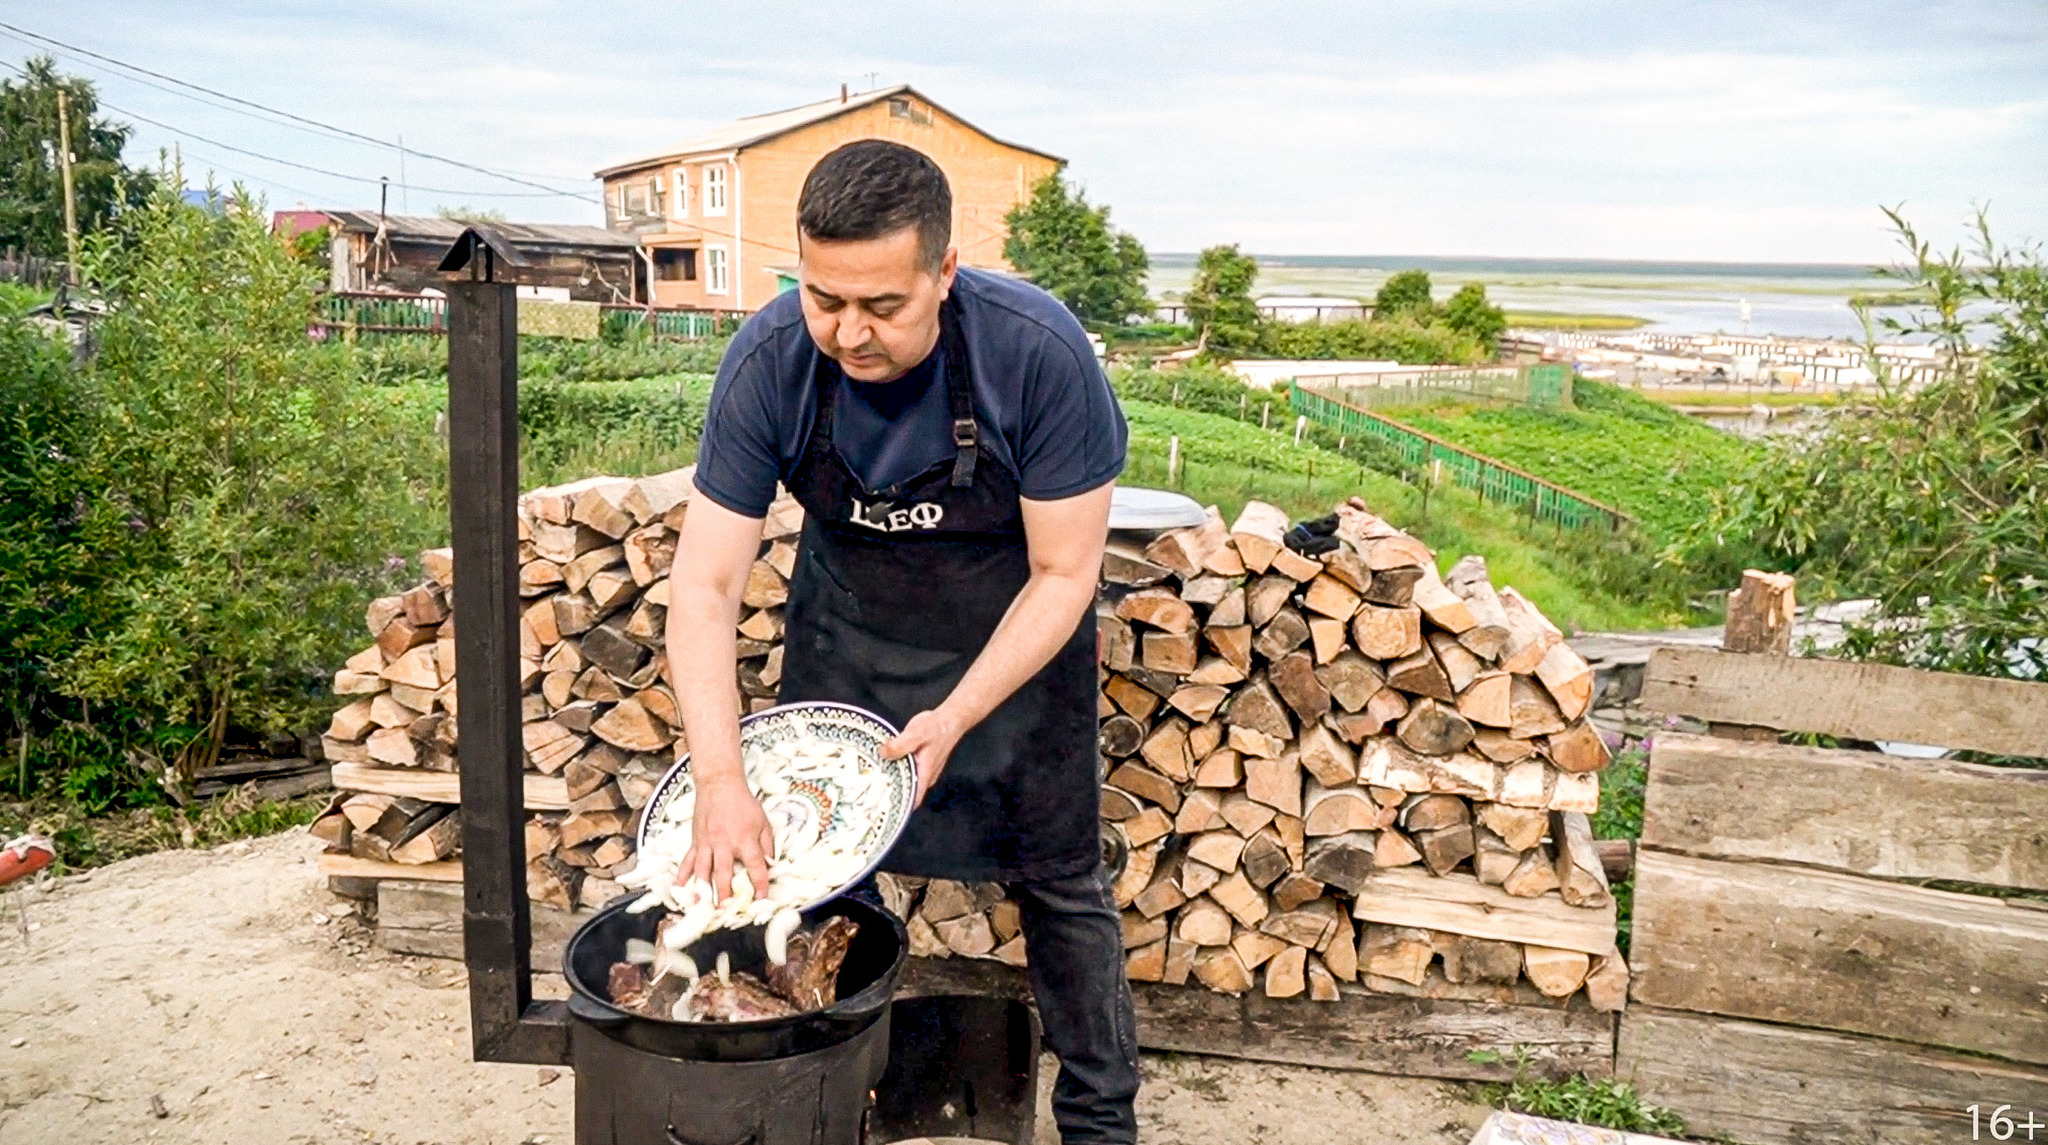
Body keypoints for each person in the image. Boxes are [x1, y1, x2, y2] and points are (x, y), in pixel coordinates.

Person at [663, 139, 1137, 1144]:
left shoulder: (1035, 354)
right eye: (824, 297)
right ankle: (835, 1103)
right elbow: (703, 584)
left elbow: (1064, 571)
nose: (848, 331)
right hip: (848, 635)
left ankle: (1101, 1124)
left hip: (1009, 647)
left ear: (944, 272)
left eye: (882, 305)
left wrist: (958, 711)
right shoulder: (769, 361)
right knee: (820, 880)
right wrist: (718, 776)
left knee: (1061, 884)